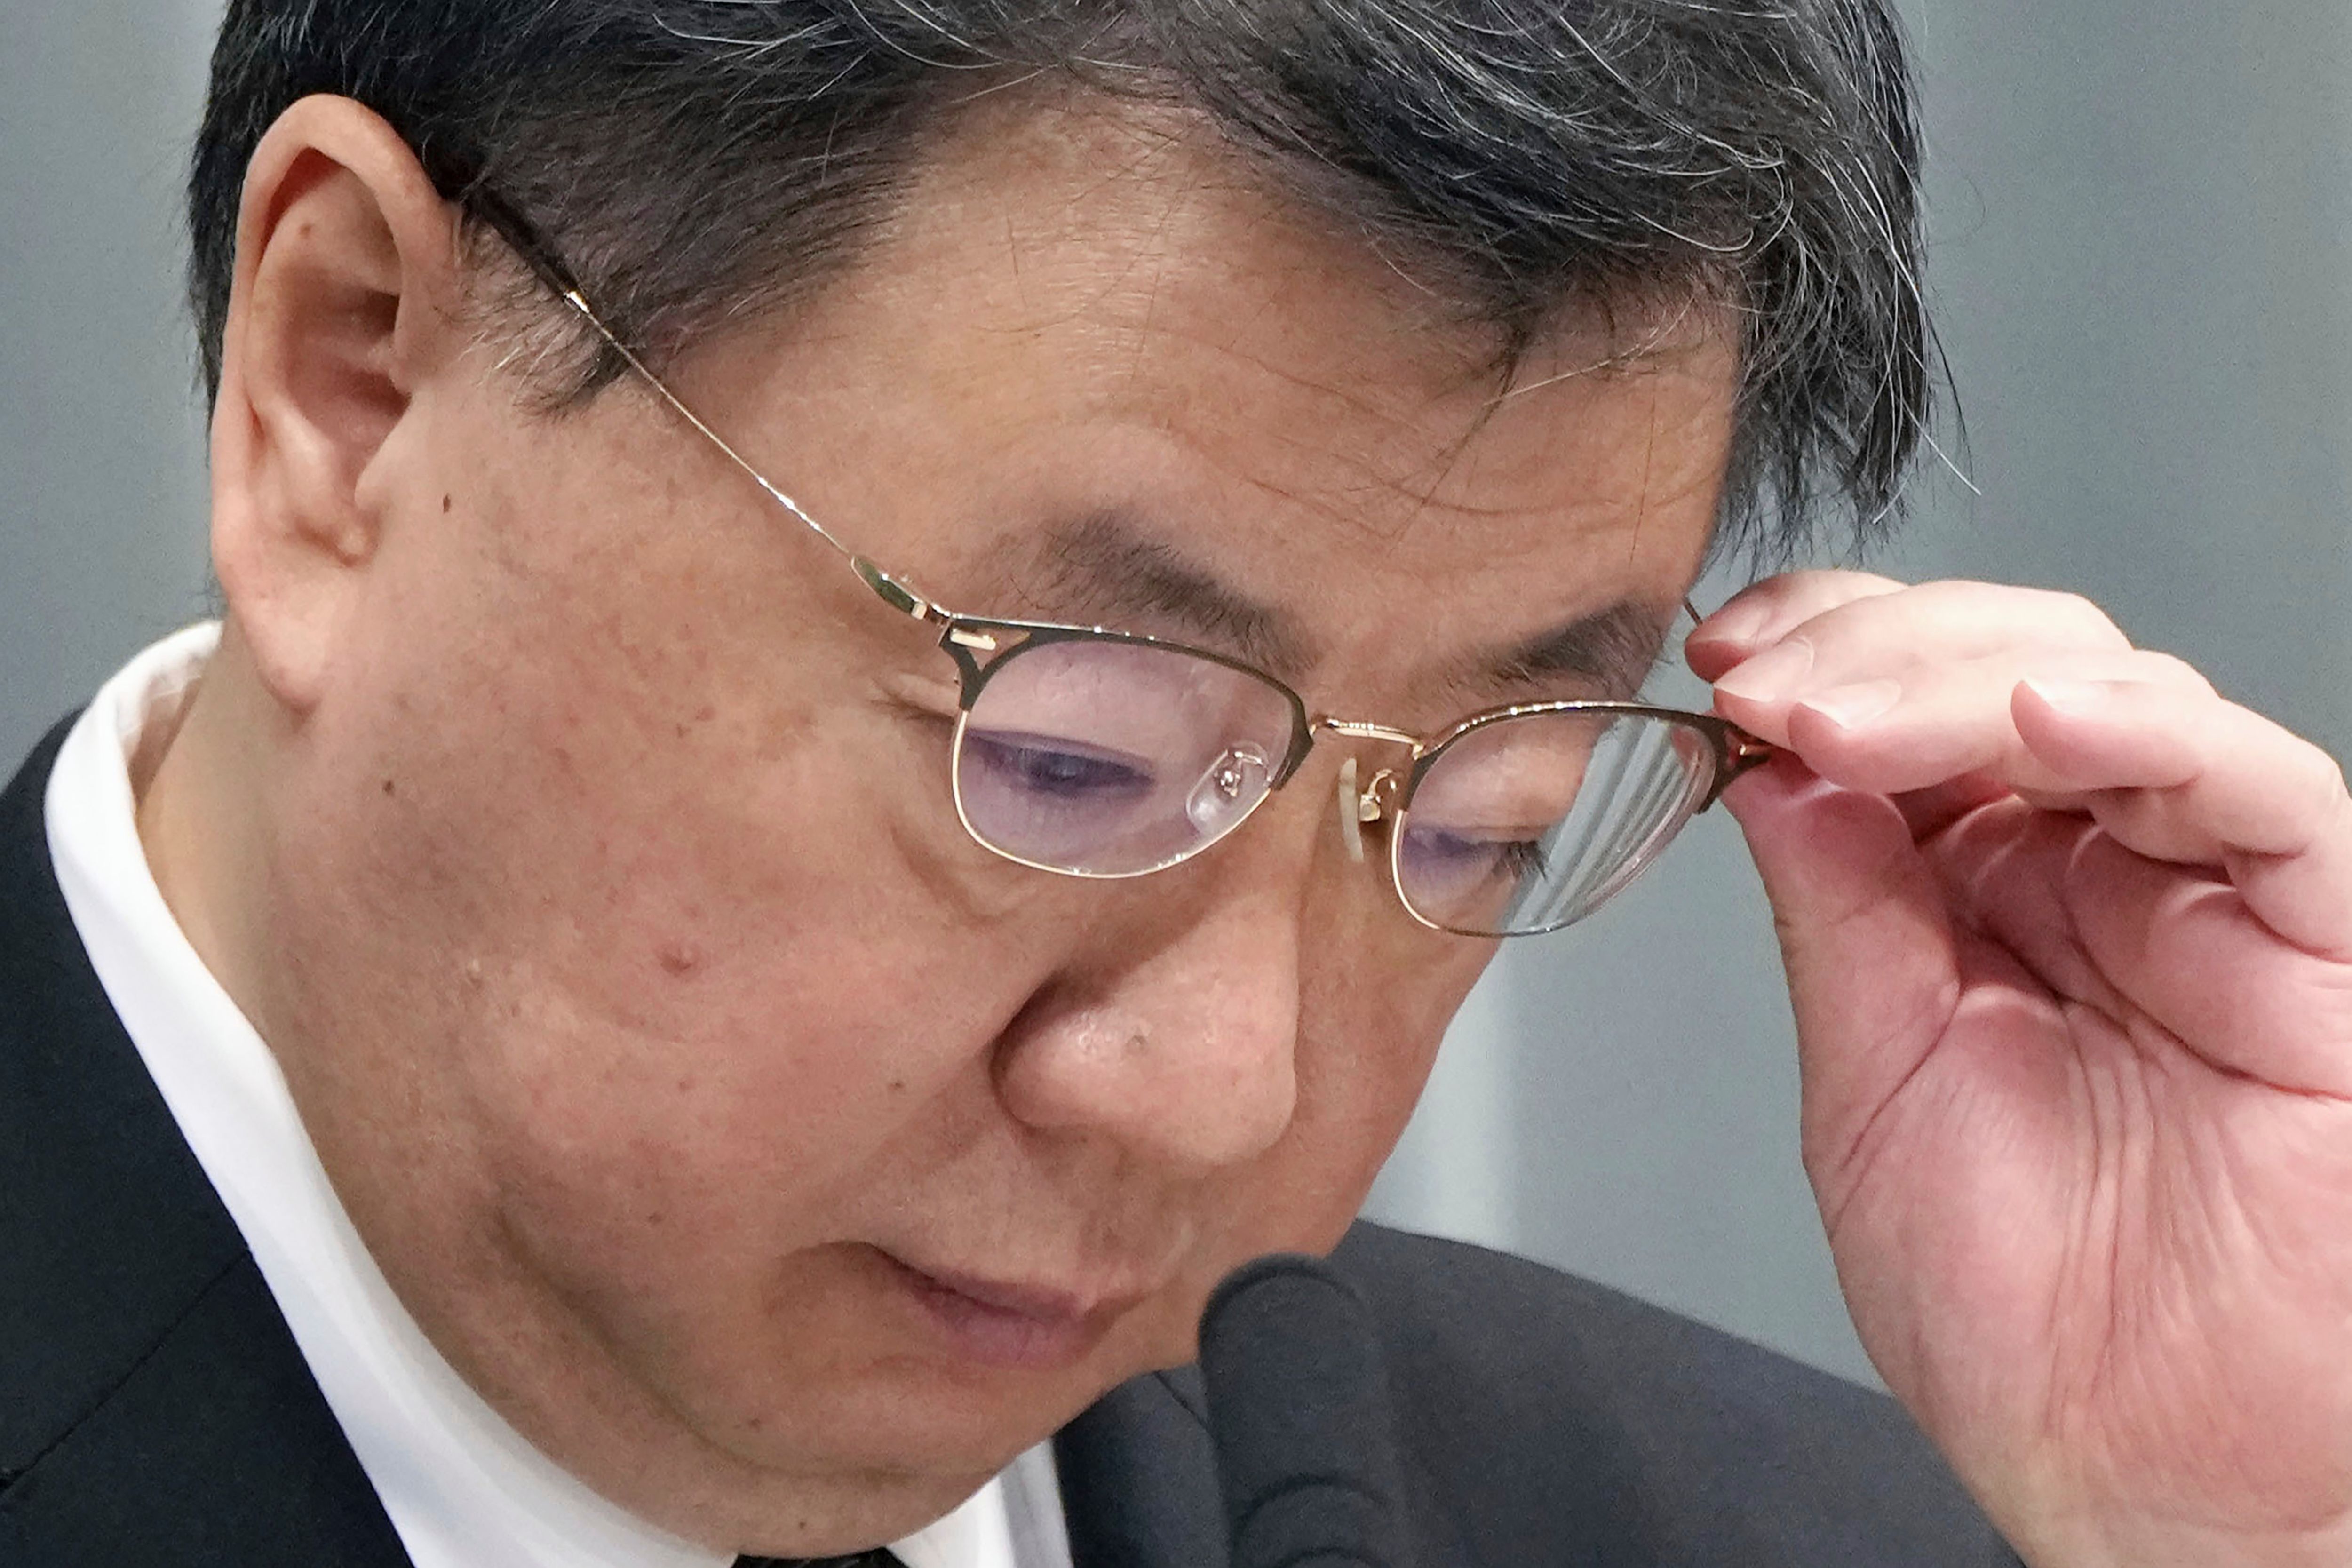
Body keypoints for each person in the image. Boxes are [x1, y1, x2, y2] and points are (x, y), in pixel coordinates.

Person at [6, 1, 2350, 1565]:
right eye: (1071, 752)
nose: (1234, 1089)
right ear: (353, 388)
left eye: (1481, 815)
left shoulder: (1747, 1528)